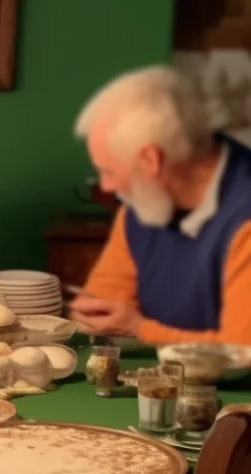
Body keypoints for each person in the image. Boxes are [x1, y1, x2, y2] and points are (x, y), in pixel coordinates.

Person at [69, 65, 251, 343]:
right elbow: (107, 292)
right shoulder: (142, 204)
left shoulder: (244, 218)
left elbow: (241, 351)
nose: (106, 186)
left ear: (151, 160)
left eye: (110, 171)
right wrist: (95, 313)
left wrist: (139, 328)